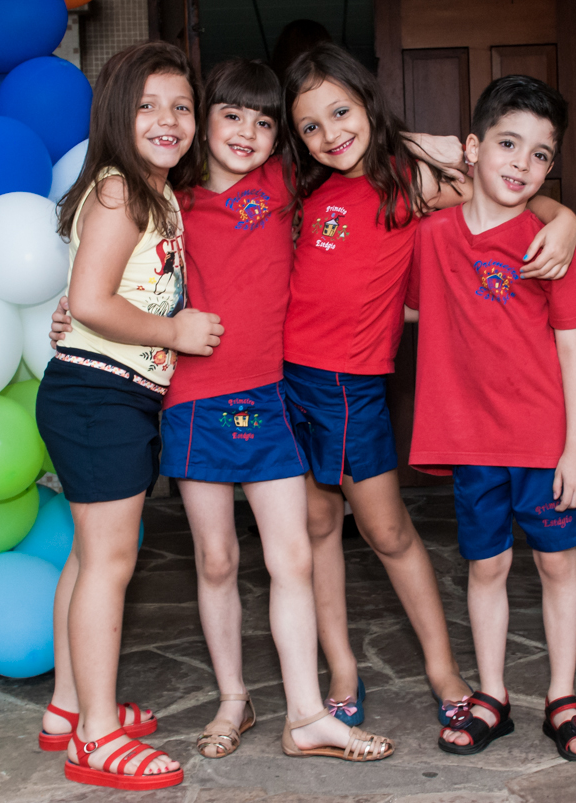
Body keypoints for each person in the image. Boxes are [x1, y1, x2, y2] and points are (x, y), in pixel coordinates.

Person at [49, 58, 396, 764]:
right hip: (191, 401)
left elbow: (417, 153)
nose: (248, 132)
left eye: (266, 122)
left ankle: (306, 713)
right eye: (231, 115)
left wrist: (555, 210)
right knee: (214, 557)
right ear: (204, 123)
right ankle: (233, 696)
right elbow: (115, 281)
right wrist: (74, 310)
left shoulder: (286, 182)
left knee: (291, 554)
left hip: (271, 397)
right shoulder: (165, 193)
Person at [280, 43, 576, 734]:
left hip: (353, 385)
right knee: (318, 525)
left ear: (366, 103)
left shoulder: (404, 181)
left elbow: (504, 194)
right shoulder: (304, 192)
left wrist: (561, 219)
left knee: (386, 529)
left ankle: (446, 670)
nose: (329, 134)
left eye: (341, 112)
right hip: (288, 381)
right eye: (310, 125)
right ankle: (343, 670)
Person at [34, 41, 223, 790]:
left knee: (89, 555)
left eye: (181, 105)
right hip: (98, 396)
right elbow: (89, 300)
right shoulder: (119, 190)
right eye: (148, 105)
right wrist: (175, 332)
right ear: (117, 115)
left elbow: (94, 291)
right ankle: (97, 737)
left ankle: (67, 707)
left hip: (106, 392)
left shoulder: (154, 192)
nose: (168, 119)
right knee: (110, 562)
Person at [404, 74, 576, 761]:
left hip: (544, 440)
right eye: (508, 144)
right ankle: (491, 693)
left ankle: (563, 696)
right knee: (486, 568)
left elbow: (573, 349)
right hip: (471, 443)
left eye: (541, 154)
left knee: (557, 565)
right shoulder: (430, 237)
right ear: (474, 147)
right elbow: (363, 157)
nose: (522, 164)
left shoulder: (553, 243)